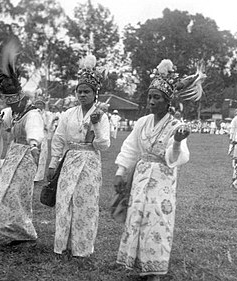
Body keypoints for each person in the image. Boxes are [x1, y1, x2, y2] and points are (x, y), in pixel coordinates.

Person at [114, 59, 206, 280]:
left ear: (167, 101)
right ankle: (136, 262)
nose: (151, 101)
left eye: (157, 97)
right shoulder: (143, 122)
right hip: (140, 176)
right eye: (149, 97)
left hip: (162, 180)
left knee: (157, 220)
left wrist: (176, 141)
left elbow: (180, 157)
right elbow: (130, 148)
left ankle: (154, 266)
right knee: (136, 216)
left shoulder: (176, 125)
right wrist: (120, 171)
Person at [0, 39, 44, 245]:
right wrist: (1, 120)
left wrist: (34, 145)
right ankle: (3, 230)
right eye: (8, 102)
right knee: (2, 191)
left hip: (26, 156)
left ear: (20, 98)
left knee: (17, 193)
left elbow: (34, 130)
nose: (10, 105)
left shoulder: (32, 113)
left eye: (13, 101)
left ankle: (22, 231)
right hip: (14, 154)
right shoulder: (13, 111)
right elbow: (6, 119)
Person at [48, 54, 110, 258]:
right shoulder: (68, 114)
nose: (82, 95)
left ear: (95, 94)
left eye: (87, 92)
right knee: (65, 201)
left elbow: (104, 144)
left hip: (90, 161)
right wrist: (52, 163)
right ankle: (62, 245)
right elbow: (58, 139)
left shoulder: (101, 115)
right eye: (79, 91)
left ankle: (82, 248)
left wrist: (96, 126)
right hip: (70, 159)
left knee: (86, 203)